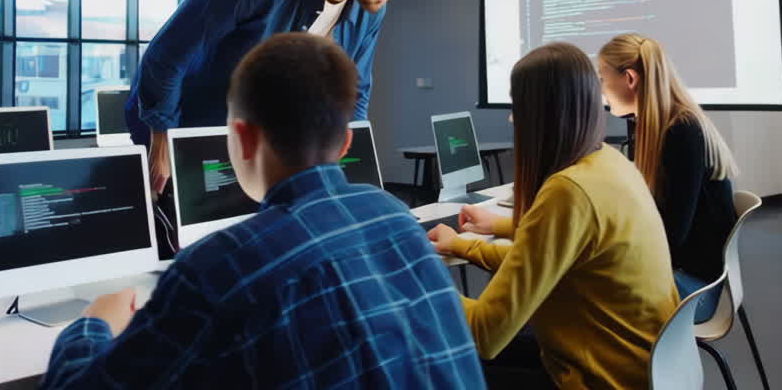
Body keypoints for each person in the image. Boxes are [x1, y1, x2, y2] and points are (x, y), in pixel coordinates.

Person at [44, 33, 483, 389]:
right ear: (346, 143)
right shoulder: (393, 217)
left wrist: (94, 323)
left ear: (243, 138)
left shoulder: (219, 264)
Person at [124, 0, 439, 251]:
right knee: (193, 254)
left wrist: (349, 168)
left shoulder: (371, 9)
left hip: (262, 145)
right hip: (184, 127)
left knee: (264, 251)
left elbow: (354, 92)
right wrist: (161, 140)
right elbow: (168, 54)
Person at [427, 43, 678, 390]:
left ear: (539, 114)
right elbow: (537, 260)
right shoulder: (608, 162)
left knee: (432, 362)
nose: (512, 118)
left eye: (517, 107)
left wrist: (420, 280)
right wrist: (462, 247)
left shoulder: (568, 191)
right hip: (648, 367)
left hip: (600, 378)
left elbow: (485, 334)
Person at [597, 33, 740, 322]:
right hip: (682, 272)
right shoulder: (662, 127)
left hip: (693, 290)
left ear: (630, 79)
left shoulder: (680, 132)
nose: (601, 89)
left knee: (579, 282)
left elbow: (670, 236)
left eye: (602, 78)